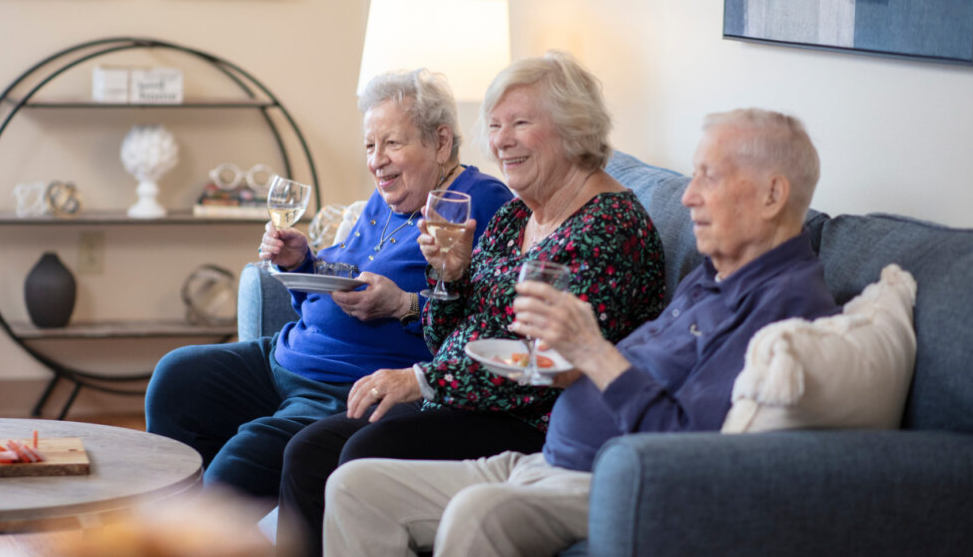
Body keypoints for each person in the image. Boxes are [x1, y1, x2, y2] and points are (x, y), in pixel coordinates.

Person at [321, 108, 840, 557]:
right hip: (546, 457)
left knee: (477, 513)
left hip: (604, 474)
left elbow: (686, 449)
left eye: (710, 178)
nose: (688, 198)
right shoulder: (716, 275)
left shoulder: (785, 311)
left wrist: (593, 352)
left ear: (773, 195)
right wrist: (569, 361)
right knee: (354, 488)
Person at [276, 51, 667, 557]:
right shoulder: (516, 219)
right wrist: (450, 277)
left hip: (530, 420)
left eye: (520, 124)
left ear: (575, 128)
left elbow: (543, 365)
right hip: (462, 399)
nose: (500, 140)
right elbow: (444, 335)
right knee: (309, 450)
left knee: (357, 451)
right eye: (496, 125)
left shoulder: (607, 229)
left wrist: (421, 379)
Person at [144, 68, 513, 502]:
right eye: (371, 146)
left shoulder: (478, 202)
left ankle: (198, 536)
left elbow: (485, 317)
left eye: (392, 143)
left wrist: (405, 304)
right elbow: (337, 283)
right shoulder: (387, 198)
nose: (377, 161)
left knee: (238, 464)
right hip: (286, 355)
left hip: (344, 382)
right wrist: (303, 261)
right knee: (178, 377)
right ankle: (167, 525)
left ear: (441, 142)